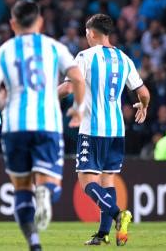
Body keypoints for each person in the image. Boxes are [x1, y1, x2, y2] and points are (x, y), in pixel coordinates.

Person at [0, 1, 85, 251]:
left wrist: (3, 100)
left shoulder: (4, 51)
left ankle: (34, 242)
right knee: (51, 184)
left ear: (12, 24)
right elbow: (77, 78)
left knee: (21, 188)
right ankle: (46, 194)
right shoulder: (54, 47)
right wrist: (78, 109)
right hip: (47, 124)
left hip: (15, 125)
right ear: (40, 22)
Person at [63, 13, 150, 246]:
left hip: (92, 129)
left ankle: (118, 215)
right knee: (107, 180)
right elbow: (143, 92)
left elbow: (70, 86)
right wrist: (144, 106)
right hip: (117, 130)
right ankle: (102, 234)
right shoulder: (124, 59)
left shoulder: (85, 56)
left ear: (91, 33)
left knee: (86, 181)